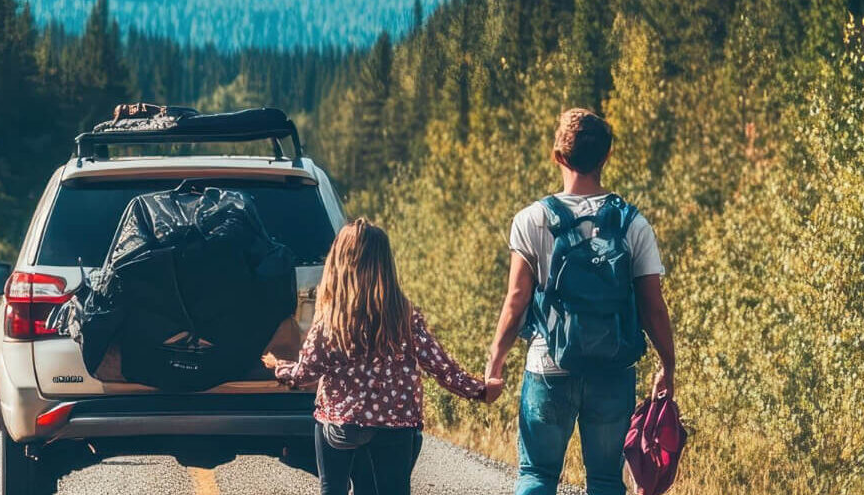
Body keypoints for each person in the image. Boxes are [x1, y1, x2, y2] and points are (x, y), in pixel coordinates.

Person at [482, 109, 677, 495]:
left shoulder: (532, 219)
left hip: (548, 364)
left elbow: (516, 300)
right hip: (613, 367)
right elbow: (653, 307)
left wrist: (495, 365)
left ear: (558, 156)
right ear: (606, 157)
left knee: (537, 475)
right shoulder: (632, 223)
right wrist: (667, 367)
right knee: (605, 480)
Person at [267, 218, 492, 495]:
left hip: (343, 424)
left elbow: (305, 374)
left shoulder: (332, 320)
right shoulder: (404, 317)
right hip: (395, 427)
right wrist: (479, 390)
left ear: (339, 263)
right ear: (386, 265)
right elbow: (440, 366)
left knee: (332, 486)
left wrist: (280, 367)